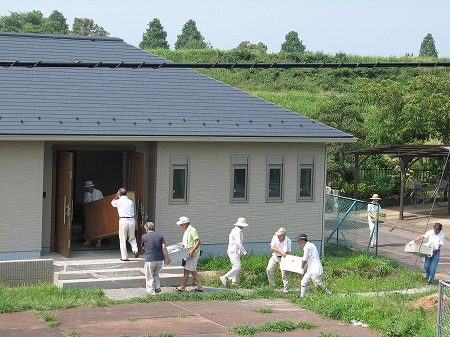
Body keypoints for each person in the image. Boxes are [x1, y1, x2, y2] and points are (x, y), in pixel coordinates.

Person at [173, 216, 204, 292]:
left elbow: (198, 241)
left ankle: (188, 287)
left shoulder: (192, 230)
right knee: (189, 270)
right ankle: (185, 287)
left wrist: (192, 250)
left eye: (181, 225)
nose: (180, 226)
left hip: (192, 254)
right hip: (188, 253)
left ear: (184, 224)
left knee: (190, 270)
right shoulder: (187, 230)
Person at [141, 222, 171, 295]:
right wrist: (167, 258)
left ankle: (151, 292)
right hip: (160, 260)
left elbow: (143, 247)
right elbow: (164, 247)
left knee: (149, 276)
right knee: (155, 273)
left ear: (147, 229)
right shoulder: (160, 236)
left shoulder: (144, 237)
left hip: (150, 259)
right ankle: (157, 287)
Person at [111, 187, 139, 261]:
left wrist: (116, 196)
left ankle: (124, 256)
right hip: (132, 220)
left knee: (123, 238)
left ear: (119, 194)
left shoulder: (118, 201)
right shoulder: (130, 201)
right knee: (132, 237)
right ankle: (135, 249)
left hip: (123, 220)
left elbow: (112, 203)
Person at [220, 217, 249, 286]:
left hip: (233, 250)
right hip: (234, 251)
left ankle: (234, 283)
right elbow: (238, 242)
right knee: (237, 266)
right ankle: (225, 277)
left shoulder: (235, 230)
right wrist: (244, 251)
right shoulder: (237, 231)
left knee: (235, 267)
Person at [266, 227, 292, 294]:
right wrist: (280, 251)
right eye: (278, 235)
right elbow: (272, 247)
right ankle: (272, 285)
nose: (278, 236)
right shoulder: (275, 237)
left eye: (279, 235)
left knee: (284, 273)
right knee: (269, 269)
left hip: (283, 258)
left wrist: (287, 259)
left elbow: (289, 252)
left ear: (283, 236)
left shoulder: (288, 241)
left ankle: (286, 289)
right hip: (275, 256)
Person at [83, 180, 104, 248]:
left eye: (88, 187)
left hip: (98, 211)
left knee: (98, 226)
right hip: (89, 212)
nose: (87, 189)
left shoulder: (98, 192)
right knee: (89, 226)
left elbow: (102, 201)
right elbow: (85, 202)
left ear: (91, 187)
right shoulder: (86, 194)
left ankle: (99, 241)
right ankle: (88, 240)